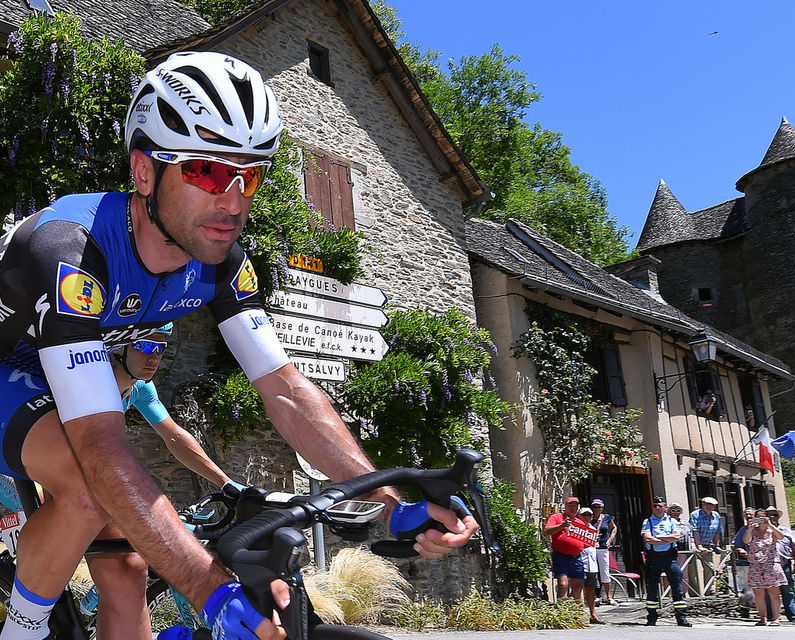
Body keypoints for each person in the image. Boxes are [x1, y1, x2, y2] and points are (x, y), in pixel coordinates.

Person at [0, 51, 478, 640]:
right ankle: (19, 632)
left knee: (126, 571)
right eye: (204, 171)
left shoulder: (220, 258)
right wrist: (207, 588)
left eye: (247, 175)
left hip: (64, 379)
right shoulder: (70, 250)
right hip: (9, 372)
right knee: (85, 490)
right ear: (144, 172)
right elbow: (100, 447)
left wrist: (387, 500)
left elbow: (286, 392)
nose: (231, 201)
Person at [85, 322, 244, 637]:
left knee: (122, 566)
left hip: (90, 472)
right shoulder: (91, 378)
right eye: (145, 346)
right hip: (39, 465)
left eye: (160, 348)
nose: (153, 357)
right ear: (120, 345)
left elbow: (174, 437)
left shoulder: (140, 387)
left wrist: (226, 482)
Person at [640, 496, 691, 627]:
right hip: (654, 557)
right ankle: (651, 618)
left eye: (660, 506)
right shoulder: (648, 521)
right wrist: (667, 539)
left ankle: (681, 618)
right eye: (655, 506)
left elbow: (677, 536)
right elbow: (647, 539)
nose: (657, 508)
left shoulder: (671, 520)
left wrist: (657, 537)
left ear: (665, 508)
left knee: (677, 586)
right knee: (652, 588)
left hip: (669, 557)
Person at [743, 510, 787, 625]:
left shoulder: (772, 531)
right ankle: (763, 618)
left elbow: (781, 537)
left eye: (763, 517)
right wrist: (750, 528)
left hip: (771, 565)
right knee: (758, 594)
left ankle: (776, 618)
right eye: (758, 517)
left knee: (774, 593)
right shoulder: (753, 532)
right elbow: (746, 540)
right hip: (756, 565)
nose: (761, 520)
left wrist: (770, 525)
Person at [544, 497, 585, 600]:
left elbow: (584, 542)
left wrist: (593, 540)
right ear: (565, 506)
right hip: (561, 556)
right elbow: (547, 531)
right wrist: (561, 525)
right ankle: (562, 610)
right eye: (571, 505)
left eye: (575, 506)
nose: (573, 508)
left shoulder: (580, 523)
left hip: (576, 557)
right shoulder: (557, 517)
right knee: (563, 584)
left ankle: (574, 612)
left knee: (578, 585)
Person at [764, 506, 795, 623]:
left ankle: (792, 615)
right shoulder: (762, 531)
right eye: (769, 515)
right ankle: (770, 615)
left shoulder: (786, 531)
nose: (772, 517)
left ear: (778, 517)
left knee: (787, 590)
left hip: (784, 564)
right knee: (769, 591)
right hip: (769, 565)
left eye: (774, 515)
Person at [689, 496, 723, 594]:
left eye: (711, 505)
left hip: (708, 544)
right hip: (694, 545)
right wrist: (698, 546)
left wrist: (717, 545)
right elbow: (694, 531)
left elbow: (717, 531)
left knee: (710, 567)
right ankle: (694, 593)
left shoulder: (716, 516)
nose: (709, 506)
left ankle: (709, 590)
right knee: (693, 569)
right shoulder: (695, 515)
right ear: (702, 504)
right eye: (706, 504)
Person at [590, 498, 619, 605]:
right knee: (593, 572)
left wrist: (611, 538)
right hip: (591, 548)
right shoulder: (588, 517)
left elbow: (614, 527)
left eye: (599, 507)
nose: (597, 509)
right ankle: (596, 596)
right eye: (595, 507)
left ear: (602, 508)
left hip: (603, 547)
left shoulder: (606, 517)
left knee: (604, 572)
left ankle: (609, 596)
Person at [577, 508, 603, 624]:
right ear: (579, 516)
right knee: (578, 589)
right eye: (584, 515)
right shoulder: (576, 528)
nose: (587, 517)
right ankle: (578, 615)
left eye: (589, 515)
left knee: (591, 590)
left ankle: (593, 614)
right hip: (580, 562)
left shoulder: (593, 530)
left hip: (592, 564)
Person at [731, 507, 756, 598]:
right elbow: (734, 545)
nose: (749, 516)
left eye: (751, 514)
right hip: (750, 563)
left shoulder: (763, 528)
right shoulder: (743, 530)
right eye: (746, 515)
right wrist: (741, 550)